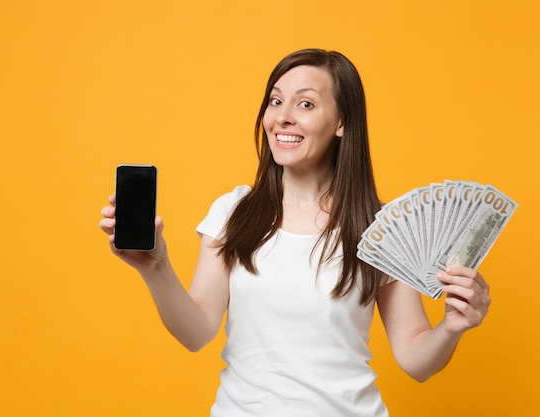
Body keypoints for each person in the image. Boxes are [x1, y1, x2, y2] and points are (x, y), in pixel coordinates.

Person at [99, 48, 491, 416]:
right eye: (275, 100)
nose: (283, 117)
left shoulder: (381, 228)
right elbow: (197, 331)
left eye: (305, 104)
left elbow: (415, 359)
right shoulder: (234, 212)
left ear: (341, 123)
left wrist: (452, 328)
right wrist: (156, 268)